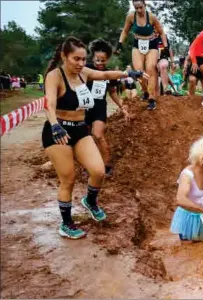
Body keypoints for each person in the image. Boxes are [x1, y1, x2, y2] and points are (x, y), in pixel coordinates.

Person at [42, 36, 147, 239]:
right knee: (69, 179)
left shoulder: (85, 73)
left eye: (83, 59)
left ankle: (90, 201)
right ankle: (66, 223)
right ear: (64, 56)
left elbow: (106, 73)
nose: (81, 64)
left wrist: (128, 73)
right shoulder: (55, 76)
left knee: (98, 171)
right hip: (59, 132)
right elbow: (50, 104)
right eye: (76, 59)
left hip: (80, 129)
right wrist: (55, 125)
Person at [85, 39, 130, 178]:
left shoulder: (110, 75)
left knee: (98, 135)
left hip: (99, 108)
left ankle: (107, 166)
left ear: (107, 59)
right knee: (86, 138)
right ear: (93, 58)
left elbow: (113, 92)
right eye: (97, 60)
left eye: (103, 60)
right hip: (84, 108)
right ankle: (88, 165)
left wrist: (122, 107)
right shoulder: (86, 69)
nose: (99, 63)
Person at [117, 0, 169, 110]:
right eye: (136, 8)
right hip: (137, 44)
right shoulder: (131, 17)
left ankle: (151, 98)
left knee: (150, 68)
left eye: (141, 7)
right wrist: (120, 43)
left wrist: (166, 47)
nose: (139, 10)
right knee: (138, 71)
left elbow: (161, 32)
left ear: (145, 5)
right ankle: (145, 92)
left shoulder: (152, 17)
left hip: (151, 44)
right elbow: (125, 31)